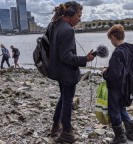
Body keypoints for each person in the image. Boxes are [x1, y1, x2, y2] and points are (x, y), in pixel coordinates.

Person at [48, 1, 95, 143]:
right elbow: (66, 56)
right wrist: (85, 59)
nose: (80, 19)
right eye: (79, 16)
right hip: (67, 73)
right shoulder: (68, 29)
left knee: (63, 97)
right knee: (67, 100)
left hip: (57, 70)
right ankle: (66, 133)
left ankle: (56, 126)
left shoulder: (54, 25)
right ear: (71, 14)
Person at [102, 25, 133, 144]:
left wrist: (105, 73)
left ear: (113, 37)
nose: (111, 42)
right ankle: (130, 133)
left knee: (114, 110)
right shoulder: (129, 50)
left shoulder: (117, 53)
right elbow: (126, 68)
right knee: (122, 107)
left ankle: (119, 136)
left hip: (116, 86)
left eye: (110, 40)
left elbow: (114, 73)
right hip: (127, 85)